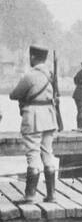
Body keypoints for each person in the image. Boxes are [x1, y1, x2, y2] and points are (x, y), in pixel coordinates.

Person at [9, 45, 59, 204]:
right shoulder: (51, 74)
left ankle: (30, 195)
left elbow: (14, 94)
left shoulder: (30, 75)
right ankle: (51, 195)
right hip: (49, 117)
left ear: (32, 57)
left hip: (33, 117)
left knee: (33, 153)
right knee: (47, 154)